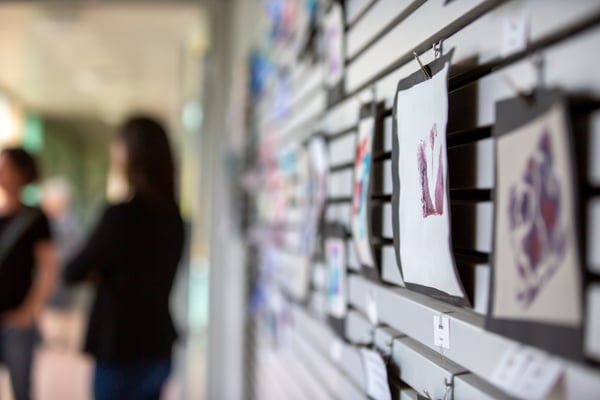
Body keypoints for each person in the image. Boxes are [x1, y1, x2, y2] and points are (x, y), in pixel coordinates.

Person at [64, 115, 185, 400]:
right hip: (157, 345)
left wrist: (103, 274)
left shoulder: (120, 215)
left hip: (120, 349)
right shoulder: (174, 219)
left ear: (132, 156)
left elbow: (73, 271)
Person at [0, 148, 57, 400]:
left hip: (17, 320)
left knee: (21, 389)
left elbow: (49, 269)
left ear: (21, 173)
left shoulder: (34, 218)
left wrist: (29, 310)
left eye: (6, 167)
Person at [40, 177, 84, 350]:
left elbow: (73, 248)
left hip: (62, 272)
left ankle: (61, 340)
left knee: (63, 308)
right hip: (54, 272)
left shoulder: (67, 222)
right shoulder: (49, 222)